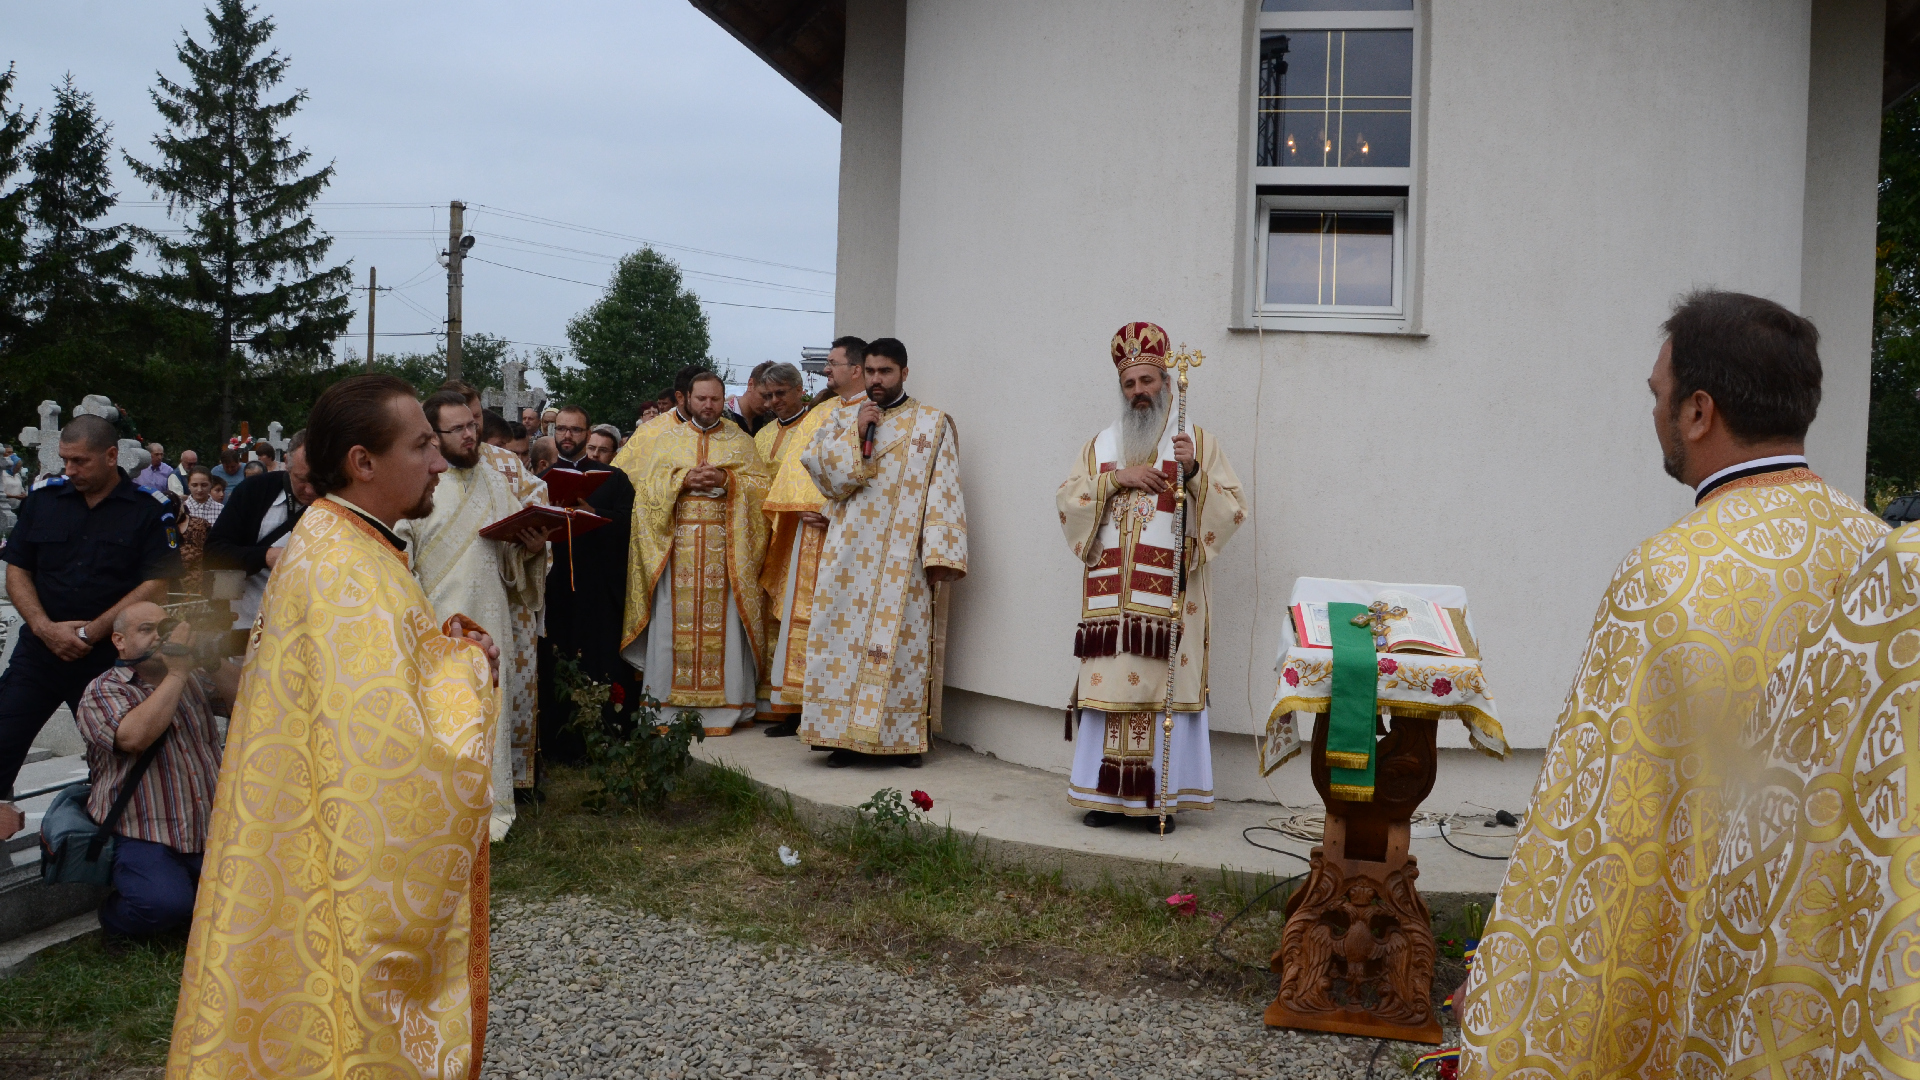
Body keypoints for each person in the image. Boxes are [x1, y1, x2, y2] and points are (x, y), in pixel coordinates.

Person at [1457, 291, 1889, 1080]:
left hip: (1704, 962)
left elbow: (1594, 837)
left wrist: (1506, 999)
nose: (1653, 411)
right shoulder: (1878, 557)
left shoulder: (1666, 578)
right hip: (1832, 964)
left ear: (1698, 411)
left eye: (1658, 395)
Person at [169, 373, 500, 1079]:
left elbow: (374, 693)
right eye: (421, 446)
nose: (440, 461)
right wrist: (468, 671)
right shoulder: (346, 568)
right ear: (363, 462)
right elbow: (397, 754)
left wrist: (444, 651)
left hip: (301, 828)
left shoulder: (341, 543)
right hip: (334, 854)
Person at [1056, 323, 1246, 831]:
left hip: (1169, 605)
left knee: (1161, 689)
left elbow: (1232, 509)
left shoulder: (1195, 441)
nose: (1139, 392)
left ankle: (1158, 800)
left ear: (1165, 381)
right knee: (1109, 692)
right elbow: (1067, 501)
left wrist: (1196, 474)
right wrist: (1115, 479)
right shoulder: (1100, 446)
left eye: (1147, 381)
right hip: (1112, 608)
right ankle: (1102, 798)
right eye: (1129, 384)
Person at [798, 338, 967, 766]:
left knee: (903, 649)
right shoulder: (839, 419)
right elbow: (823, 476)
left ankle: (903, 739)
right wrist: (855, 433)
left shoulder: (933, 424)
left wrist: (941, 555)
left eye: (885, 372)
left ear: (904, 374)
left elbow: (944, 488)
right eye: (870, 371)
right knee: (841, 645)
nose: (876, 380)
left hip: (901, 557)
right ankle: (840, 738)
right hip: (849, 554)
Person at [0, 415, 178, 816]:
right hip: (41, 651)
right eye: (66, 460)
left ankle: (117, 835)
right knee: (4, 735)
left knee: (123, 751)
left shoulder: (149, 510)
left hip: (108, 657)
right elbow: (17, 569)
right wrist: (46, 629)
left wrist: (87, 633)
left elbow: (155, 585)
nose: (70, 470)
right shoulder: (44, 500)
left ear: (111, 456)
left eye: (80, 461)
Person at [398, 391, 548, 839]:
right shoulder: (414, 483)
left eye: (472, 426)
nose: (470, 435)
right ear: (433, 436)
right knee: (442, 718)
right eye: (458, 429)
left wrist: (531, 549)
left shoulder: (495, 479)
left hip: (492, 617)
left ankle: (491, 809)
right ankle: (442, 814)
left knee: (488, 713)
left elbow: (507, 557)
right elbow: (400, 555)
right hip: (436, 622)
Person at [616, 370, 772, 735]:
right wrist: (680, 481)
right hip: (676, 549)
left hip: (726, 553)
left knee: (726, 629)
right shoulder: (666, 439)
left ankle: (729, 707)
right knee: (672, 624)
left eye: (715, 399)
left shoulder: (739, 440)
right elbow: (645, 493)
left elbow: (762, 490)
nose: (708, 405)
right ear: (686, 397)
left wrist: (727, 480)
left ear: (722, 400)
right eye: (701, 398)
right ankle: (667, 709)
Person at [73, 602, 235, 940]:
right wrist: (176, 673)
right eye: (146, 630)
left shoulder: (194, 678)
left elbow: (251, 702)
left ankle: (186, 891)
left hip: (208, 828)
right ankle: (116, 917)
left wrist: (211, 659)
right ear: (119, 640)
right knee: (164, 907)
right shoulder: (103, 690)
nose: (160, 638)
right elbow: (134, 738)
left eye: (166, 629)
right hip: (143, 834)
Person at [756, 351, 856, 737]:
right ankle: (794, 706)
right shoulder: (822, 414)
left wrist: (827, 509)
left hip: (835, 533)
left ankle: (820, 708)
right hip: (802, 529)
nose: (827, 371)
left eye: (833, 364)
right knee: (797, 621)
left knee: (829, 622)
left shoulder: (842, 412)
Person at [205, 429, 316, 630]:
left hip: (310, 629)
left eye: (318, 480)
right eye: (301, 479)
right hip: (248, 627)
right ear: (286, 463)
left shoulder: (341, 499)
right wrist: (266, 556)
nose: (310, 490)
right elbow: (214, 552)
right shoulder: (253, 491)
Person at [727, 360, 775, 434]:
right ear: (750, 384)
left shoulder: (773, 420)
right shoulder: (720, 417)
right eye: (764, 396)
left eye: (772, 398)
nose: (768, 404)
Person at [552, 404, 597, 469]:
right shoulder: (541, 478)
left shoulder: (612, 476)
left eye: (576, 430)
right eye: (561, 429)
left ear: (588, 435)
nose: (567, 436)